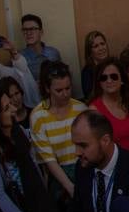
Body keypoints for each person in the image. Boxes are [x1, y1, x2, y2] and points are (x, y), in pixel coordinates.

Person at [29, 60, 86, 199]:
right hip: (58, 177)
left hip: (84, 169)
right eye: (59, 90)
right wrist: (70, 187)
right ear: (48, 89)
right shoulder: (38, 116)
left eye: (68, 88)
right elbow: (49, 159)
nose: (65, 94)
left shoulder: (81, 109)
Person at [90, 57, 129, 155]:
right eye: (104, 78)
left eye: (114, 76)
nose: (109, 81)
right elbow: (99, 148)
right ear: (99, 83)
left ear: (122, 79)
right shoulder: (94, 110)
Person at [17, 13, 61, 82]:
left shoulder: (53, 53)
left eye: (32, 29)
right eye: (25, 30)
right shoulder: (19, 57)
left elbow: (60, 77)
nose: (28, 33)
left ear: (41, 32)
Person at [81, 29, 111, 97]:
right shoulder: (87, 72)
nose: (101, 48)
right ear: (90, 52)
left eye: (102, 44)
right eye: (96, 46)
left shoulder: (114, 66)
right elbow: (89, 97)